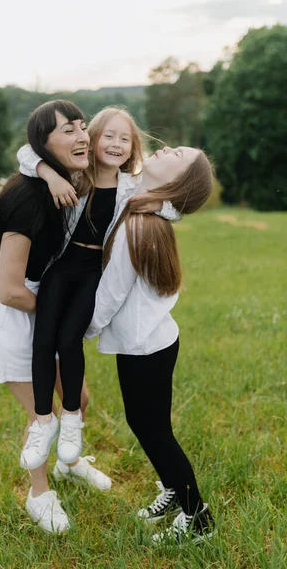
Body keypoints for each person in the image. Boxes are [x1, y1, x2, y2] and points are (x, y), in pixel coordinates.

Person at [0, 100, 111, 536]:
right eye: (67, 130)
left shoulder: (61, 177)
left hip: (46, 300)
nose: (81, 136)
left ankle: (69, 465)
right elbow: (10, 290)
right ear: (45, 144)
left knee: (80, 398)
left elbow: (26, 152)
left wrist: (52, 171)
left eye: (82, 127)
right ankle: (39, 496)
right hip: (15, 312)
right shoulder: (25, 202)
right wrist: (61, 312)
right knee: (43, 415)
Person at [17, 107, 171, 470]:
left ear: (133, 147)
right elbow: (27, 153)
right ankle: (44, 420)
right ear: (93, 139)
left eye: (125, 139)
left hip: (93, 275)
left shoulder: (134, 186)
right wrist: (48, 175)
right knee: (42, 341)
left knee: (69, 339)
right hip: (61, 267)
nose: (116, 144)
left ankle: (71, 419)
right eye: (109, 136)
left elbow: (178, 206)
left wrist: (158, 204)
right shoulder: (73, 173)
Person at [85, 145, 216, 544]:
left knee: (152, 429)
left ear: (177, 182)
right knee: (147, 424)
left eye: (175, 154)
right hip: (151, 341)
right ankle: (175, 490)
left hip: (146, 347)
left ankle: (198, 517)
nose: (164, 148)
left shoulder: (142, 224)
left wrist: (79, 332)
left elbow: (110, 292)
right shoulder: (148, 210)